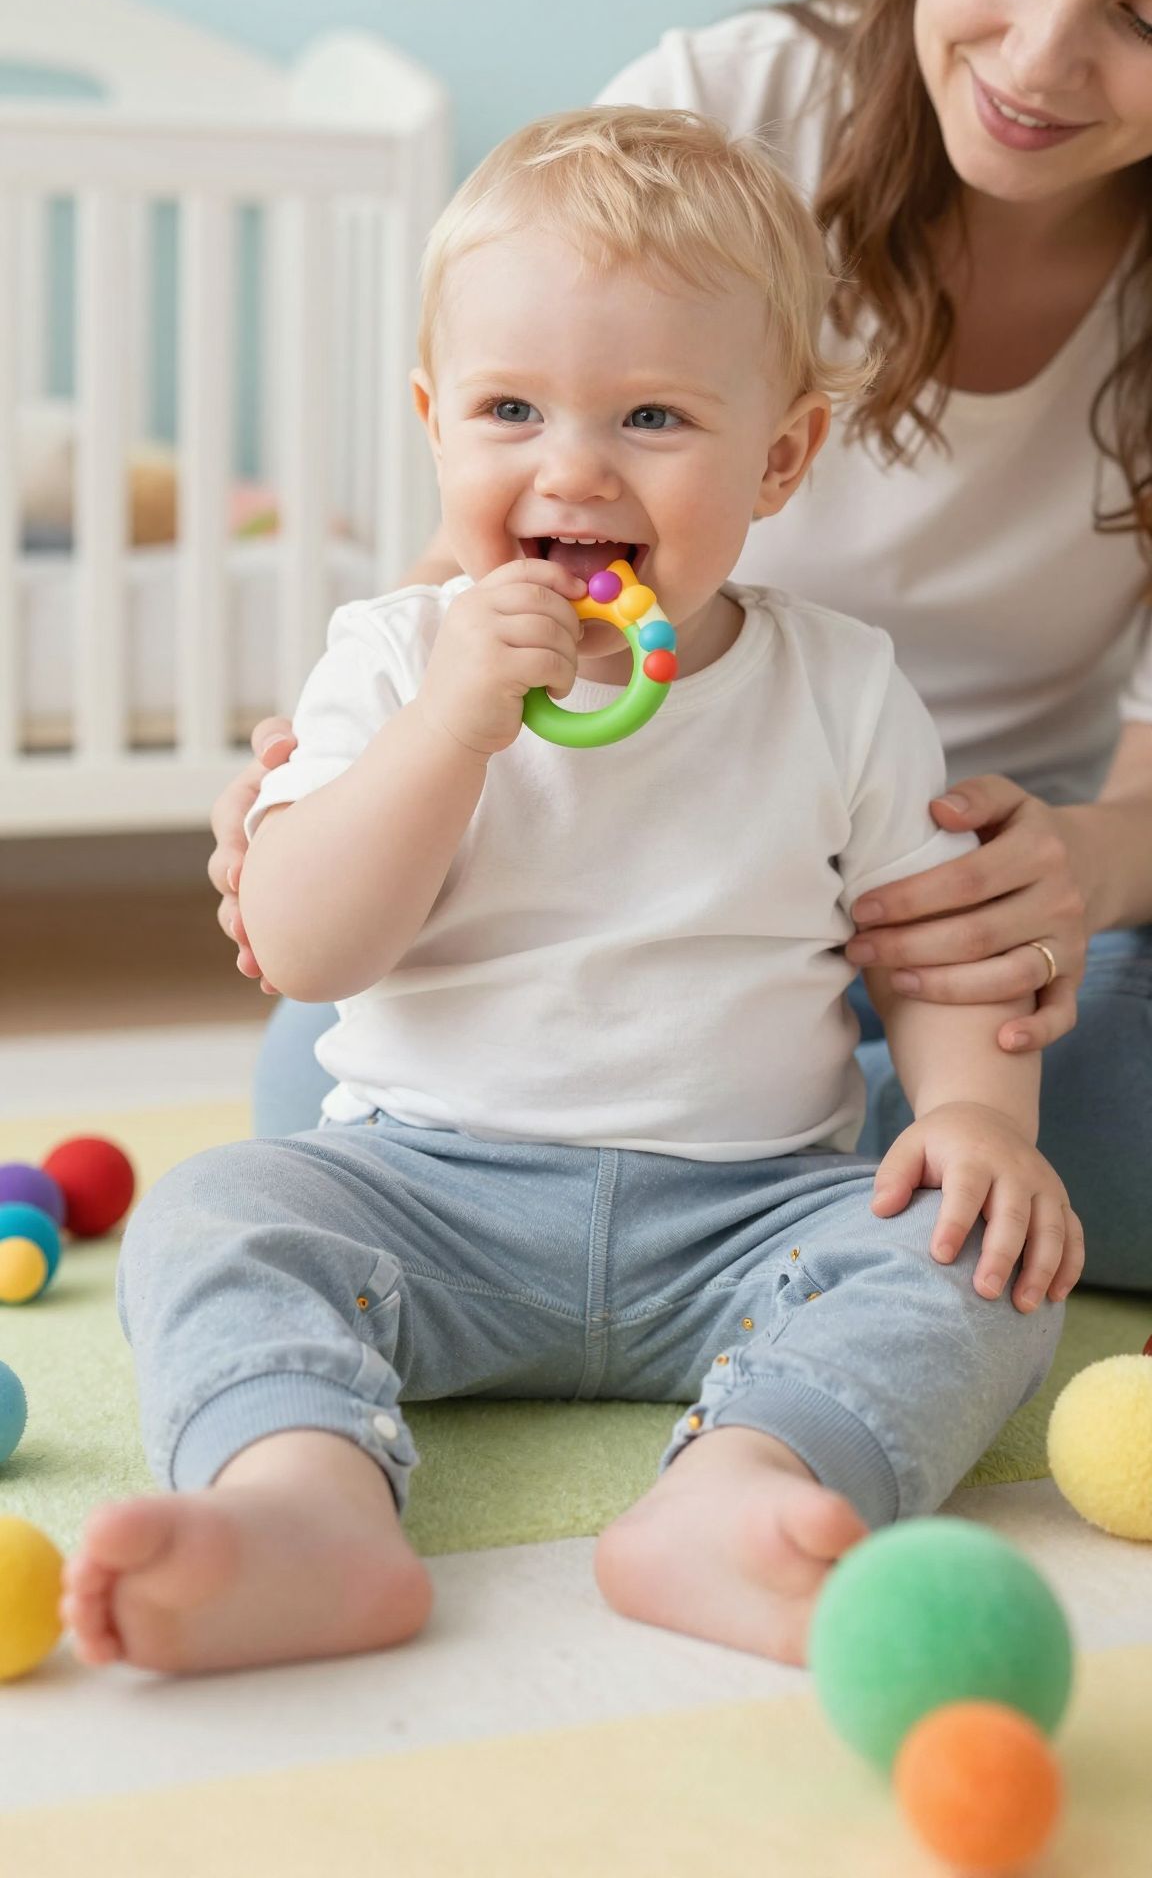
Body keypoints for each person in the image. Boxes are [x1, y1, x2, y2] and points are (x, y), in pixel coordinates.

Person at [62, 107, 1079, 1677]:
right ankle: (304, 1505)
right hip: (423, 1194)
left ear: (782, 456)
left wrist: (972, 1123)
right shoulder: (389, 659)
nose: (574, 466)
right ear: (435, 425)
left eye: (654, 415)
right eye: (511, 409)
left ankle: (747, 1485)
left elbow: (931, 950)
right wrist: (449, 725)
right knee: (216, 1212)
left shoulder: (842, 686)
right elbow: (308, 947)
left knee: (984, 1257)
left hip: (745, 1209)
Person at [211, 0, 1152, 1289]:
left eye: (1144, 15)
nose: (1038, 61)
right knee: (309, 1086)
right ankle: (773, 1177)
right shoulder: (724, 114)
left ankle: (805, 1160)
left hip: (981, 906)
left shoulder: (847, 687)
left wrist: (1080, 872)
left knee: (1080, 1144)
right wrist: (349, 773)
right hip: (600, 869)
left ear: (787, 453)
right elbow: (486, 519)